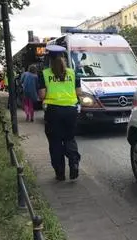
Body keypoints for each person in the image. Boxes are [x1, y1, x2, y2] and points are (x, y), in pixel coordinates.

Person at [38, 45, 82, 181]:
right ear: (64, 58)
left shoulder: (44, 74)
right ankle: (74, 162)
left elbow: (42, 94)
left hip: (53, 111)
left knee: (55, 141)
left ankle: (60, 173)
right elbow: (78, 93)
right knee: (69, 138)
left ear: (49, 59)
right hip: (71, 110)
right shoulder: (73, 72)